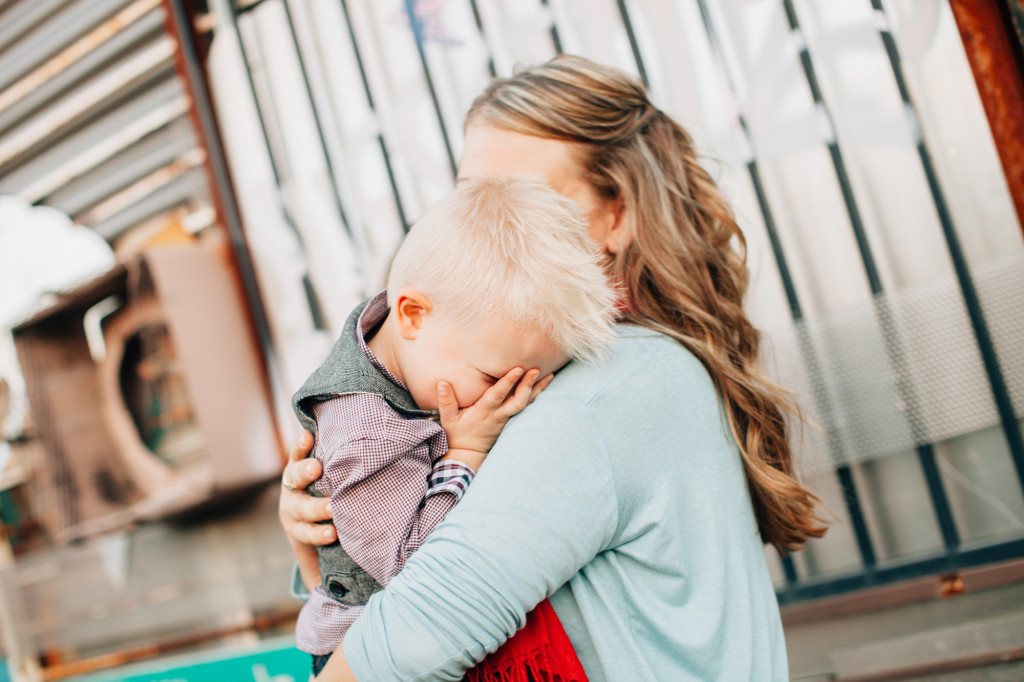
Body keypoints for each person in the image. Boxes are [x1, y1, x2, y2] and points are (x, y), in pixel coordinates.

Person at [279, 55, 826, 681]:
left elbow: (414, 633)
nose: (493, 228)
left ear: (617, 215)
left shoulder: (604, 388)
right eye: (476, 198)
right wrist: (329, 529)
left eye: (530, 200)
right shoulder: (624, 369)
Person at [290, 176, 616, 678]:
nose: (506, 401)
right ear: (413, 315)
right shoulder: (365, 431)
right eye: (492, 378)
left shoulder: (415, 342)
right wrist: (464, 451)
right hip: (368, 654)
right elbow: (410, 571)